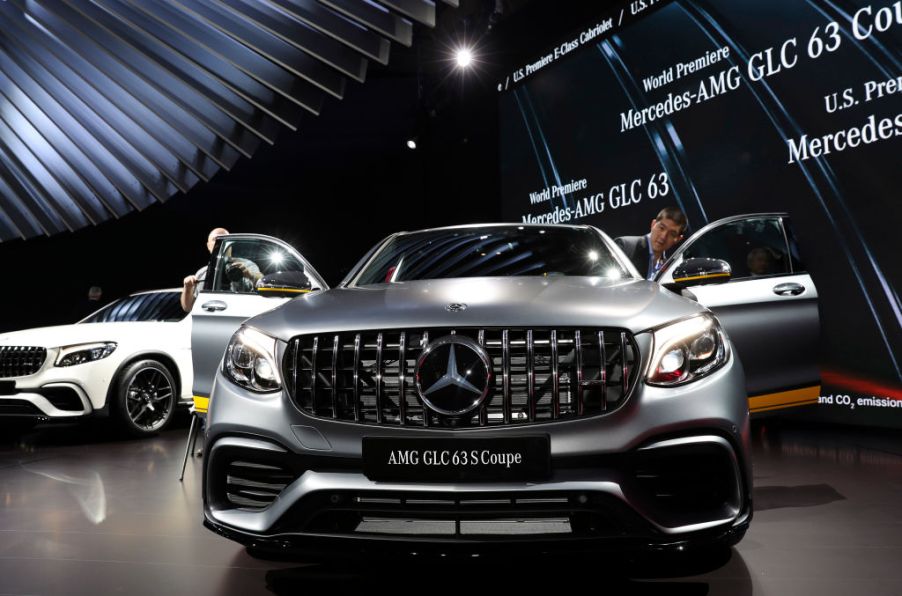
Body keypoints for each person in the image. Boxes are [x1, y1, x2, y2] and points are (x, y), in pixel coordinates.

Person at [615, 207, 688, 280]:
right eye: (661, 228)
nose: (663, 236)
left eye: (672, 234)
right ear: (653, 224)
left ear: (678, 239)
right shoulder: (625, 246)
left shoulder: (670, 266)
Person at [180, 227, 229, 312]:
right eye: (215, 240)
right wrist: (188, 287)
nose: (220, 243)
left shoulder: (248, 266)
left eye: (225, 240)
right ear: (208, 246)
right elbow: (188, 307)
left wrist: (251, 276)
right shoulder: (202, 273)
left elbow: (260, 290)